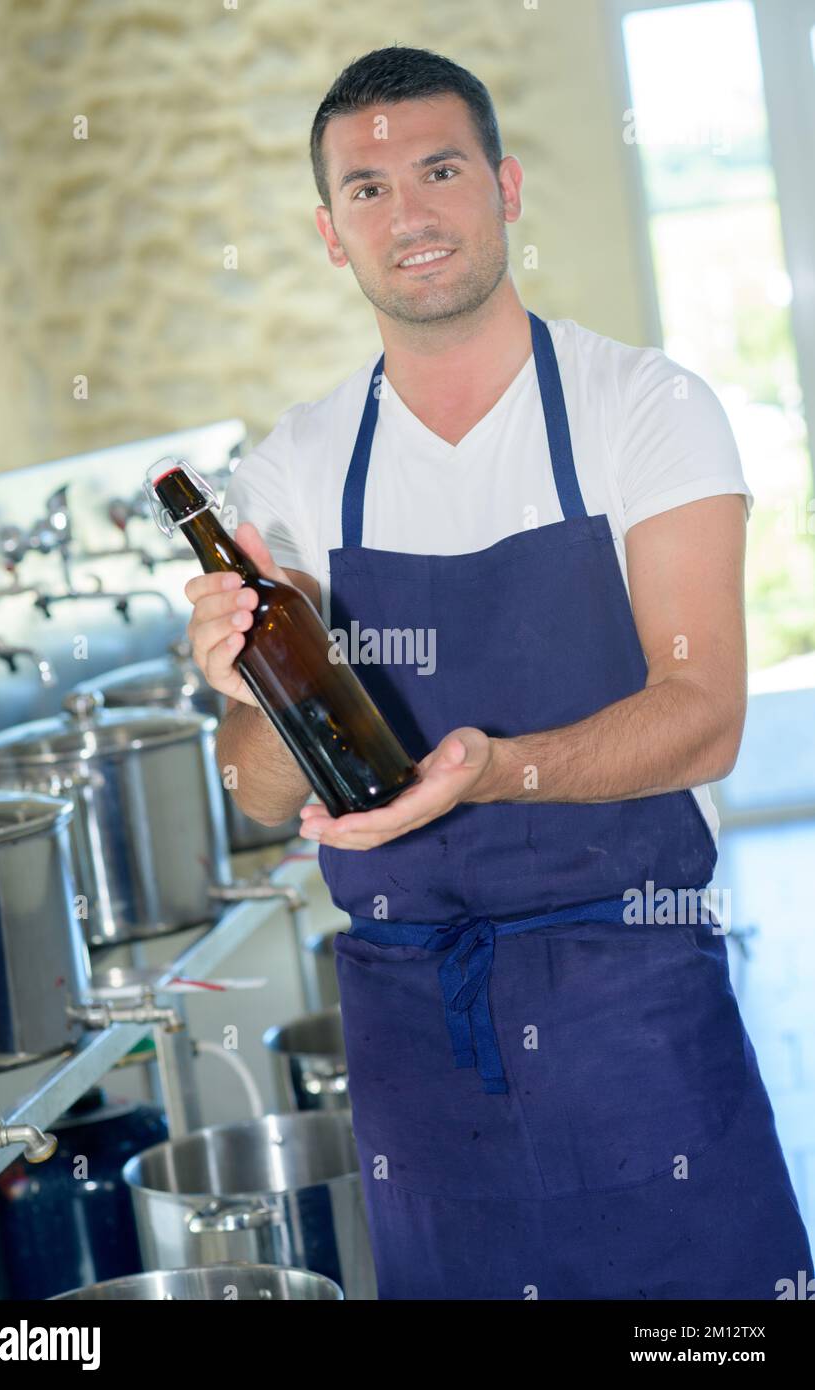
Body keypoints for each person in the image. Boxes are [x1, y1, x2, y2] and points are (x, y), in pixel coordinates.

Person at [185, 46, 813, 1300]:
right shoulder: (296, 471)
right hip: (411, 1024)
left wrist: (489, 772)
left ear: (503, 186)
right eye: (365, 189)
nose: (407, 214)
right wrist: (252, 692)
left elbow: (700, 721)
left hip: (625, 992)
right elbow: (260, 794)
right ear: (329, 233)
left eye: (437, 170)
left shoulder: (641, 407)